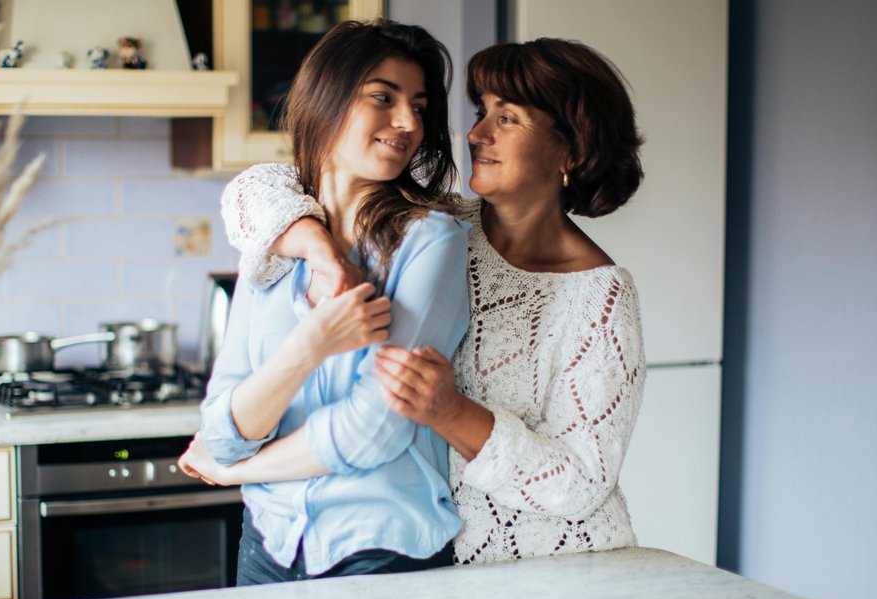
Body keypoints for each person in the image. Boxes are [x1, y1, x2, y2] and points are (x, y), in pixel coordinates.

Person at [210, 37, 647, 564]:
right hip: (436, 561)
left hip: (552, 569)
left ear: (571, 150)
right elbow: (257, 190)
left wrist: (451, 413)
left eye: (507, 119)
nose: (477, 133)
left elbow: (582, 484)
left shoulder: (599, 296)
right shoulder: (440, 228)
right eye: (481, 111)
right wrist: (318, 247)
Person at [178, 19, 471, 584]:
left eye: (419, 104)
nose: (408, 122)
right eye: (382, 98)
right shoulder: (272, 237)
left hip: (379, 548)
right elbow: (220, 426)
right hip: (270, 543)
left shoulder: (430, 241)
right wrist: (309, 346)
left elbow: (377, 429)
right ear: (327, 100)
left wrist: (237, 472)